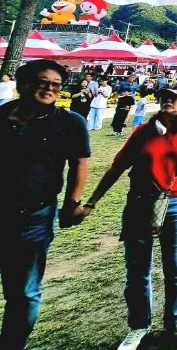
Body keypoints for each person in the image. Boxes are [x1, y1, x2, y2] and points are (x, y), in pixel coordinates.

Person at [79, 81, 177, 350]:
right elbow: (117, 167)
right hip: (140, 203)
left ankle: (176, 319)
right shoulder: (144, 131)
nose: (167, 100)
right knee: (137, 269)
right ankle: (139, 325)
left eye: (174, 97)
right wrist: (92, 201)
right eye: (163, 96)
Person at [0, 60, 90, 350]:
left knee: (23, 291)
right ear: (24, 84)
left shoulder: (69, 122)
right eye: (43, 82)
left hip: (33, 216)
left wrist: (72, 203)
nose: (50, 89)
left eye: (56, 85)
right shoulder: (2, 115)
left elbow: (79, 163)